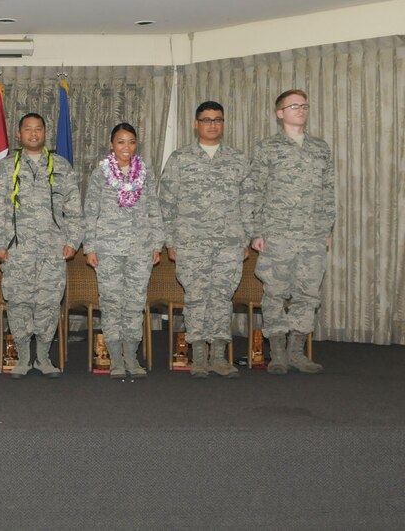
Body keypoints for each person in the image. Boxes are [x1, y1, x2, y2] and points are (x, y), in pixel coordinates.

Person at [243, 89, 334, 375]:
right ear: (280, 113)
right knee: (275, 294)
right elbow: (254, 191)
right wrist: (255, 231)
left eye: (305, 105)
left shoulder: (320, 148)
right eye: (294, 106)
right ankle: (278, 353)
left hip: (312, 236)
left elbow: (328, 191)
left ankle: (297, 352)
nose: (301, 110)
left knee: (308, 295)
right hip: (277, 234)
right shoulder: (266, 148)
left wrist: (326, 228)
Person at [0, 113, 83, 378]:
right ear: (19, 135)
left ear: (45, 133)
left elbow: (74, 208)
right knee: (18, 302)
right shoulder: (6, 168)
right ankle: (22, 357)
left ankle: (43, 356)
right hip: (17, 250)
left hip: (53, 250)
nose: (33, 133)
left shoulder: (61, 167)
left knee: (49, 303)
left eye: (38, 128)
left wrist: (73, 241)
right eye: (27, 129)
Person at [159, 101, 249, 378]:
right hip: (191, 242)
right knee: (196, 297)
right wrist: (170, 241)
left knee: (223, 297)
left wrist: (245, 238)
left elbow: (248, 201)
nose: (213, 124)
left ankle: (219, 356)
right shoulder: (180, 158)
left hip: (229, 242)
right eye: (207, 119)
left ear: (224, 123)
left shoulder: (238, 159)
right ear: (196, 124)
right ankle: (198, 354)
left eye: (218, 119)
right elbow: (166, 202)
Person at [83, 123, 164, 379]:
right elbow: (90, 212)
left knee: (134, 304)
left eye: (131, 142)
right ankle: (115, 358)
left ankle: (132, 356)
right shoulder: (100, 174)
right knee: (111, 303)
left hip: (140, 248)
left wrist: (156, 243)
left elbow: (154, 209)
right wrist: (90, 246)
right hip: (108, 249)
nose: (126, 147)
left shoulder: (146, 173)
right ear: (111, 144)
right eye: (121, 142)